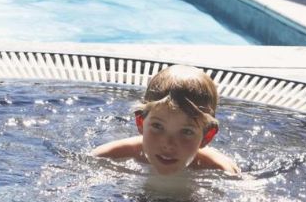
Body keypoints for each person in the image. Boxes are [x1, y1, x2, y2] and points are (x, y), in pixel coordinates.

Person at [93, 65, 240, 176]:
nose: (168, 145)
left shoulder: (220, 172)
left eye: (186, 132)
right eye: (157, 126)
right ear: (140, 122)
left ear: (207, 136)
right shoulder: (110, 157)